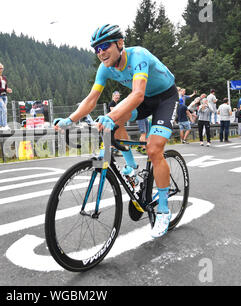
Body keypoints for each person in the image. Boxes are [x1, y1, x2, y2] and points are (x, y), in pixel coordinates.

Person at [54, 24, 178, 238]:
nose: (100, 52)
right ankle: (132, 170)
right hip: (145, 100)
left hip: (165, 98)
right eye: (96, 49)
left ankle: (164, 210)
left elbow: (137, 94)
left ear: (120, 44)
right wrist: (69, 120)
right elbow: (92, 99)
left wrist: (111, 116)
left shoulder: (138, 55)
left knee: (154, 149)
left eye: (104, 46)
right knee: (114, 120)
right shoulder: (104, 68)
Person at [0, 63, 13, 130]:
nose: (1, 69)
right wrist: (5, 89)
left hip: (4, 96)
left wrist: (8, 90)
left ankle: (2, 126)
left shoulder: (4, 78)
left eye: (2, 68)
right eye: (0, 68)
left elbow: (5, 87)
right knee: (4, 109)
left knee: (2, 110)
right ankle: (5, 125)